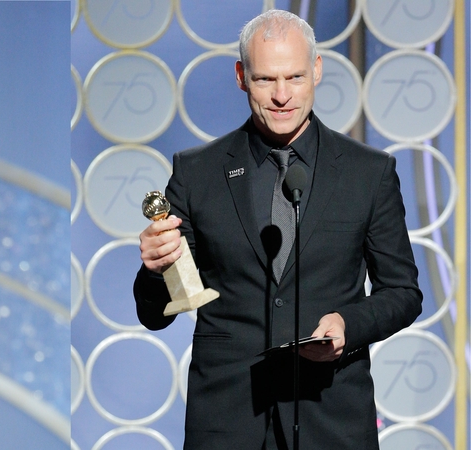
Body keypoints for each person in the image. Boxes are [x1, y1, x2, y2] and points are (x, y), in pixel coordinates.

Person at [134, 9, 422, 450]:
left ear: (318, 71)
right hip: (227, 423)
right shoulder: (197, 172)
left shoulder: (370, 172)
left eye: (295, 77)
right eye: (267, 80)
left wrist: (349, 324)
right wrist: (156, 268)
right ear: (241, 77)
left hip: (331, 418)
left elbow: (403, 293)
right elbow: (156, 313)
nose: (282, 96)